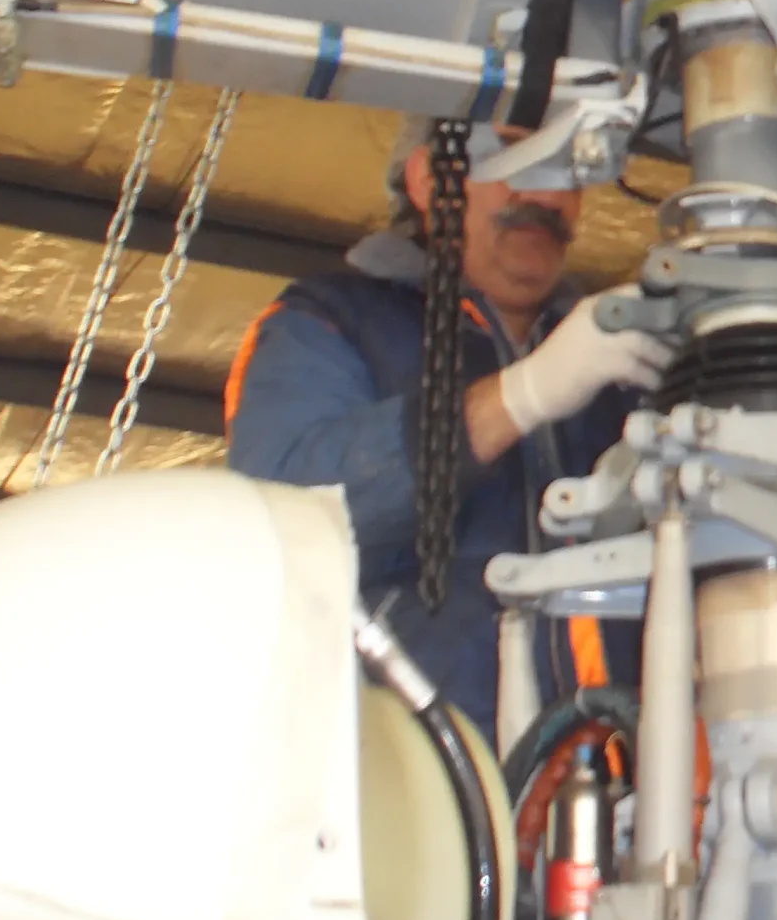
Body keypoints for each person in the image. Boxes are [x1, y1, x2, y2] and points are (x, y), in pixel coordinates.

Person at [225, 122, 667, 738]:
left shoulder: (619, 363)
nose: (548, 195)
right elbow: (284, 518)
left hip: (619, 774)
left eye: (571, 169)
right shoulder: (328, 322)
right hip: (404, 770)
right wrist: (521, 395)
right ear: (431, 179)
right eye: (517, 155)